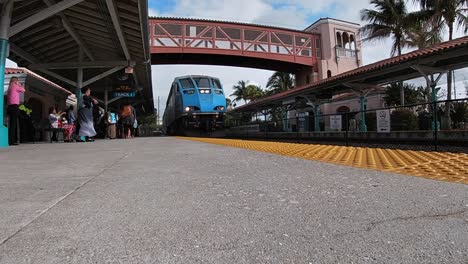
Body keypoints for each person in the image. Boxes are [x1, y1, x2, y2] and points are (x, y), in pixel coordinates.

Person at [6, 77, 26, 145]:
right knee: (14, 125)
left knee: (11, 124)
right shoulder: (15, 86)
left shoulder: (10, 87)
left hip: (10, 107)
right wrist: (19, 84)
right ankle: (12, 141)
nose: (18, 82)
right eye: (17, 80)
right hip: (14, 106)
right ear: (15, 81)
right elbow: (23, 90)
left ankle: (11, 140)